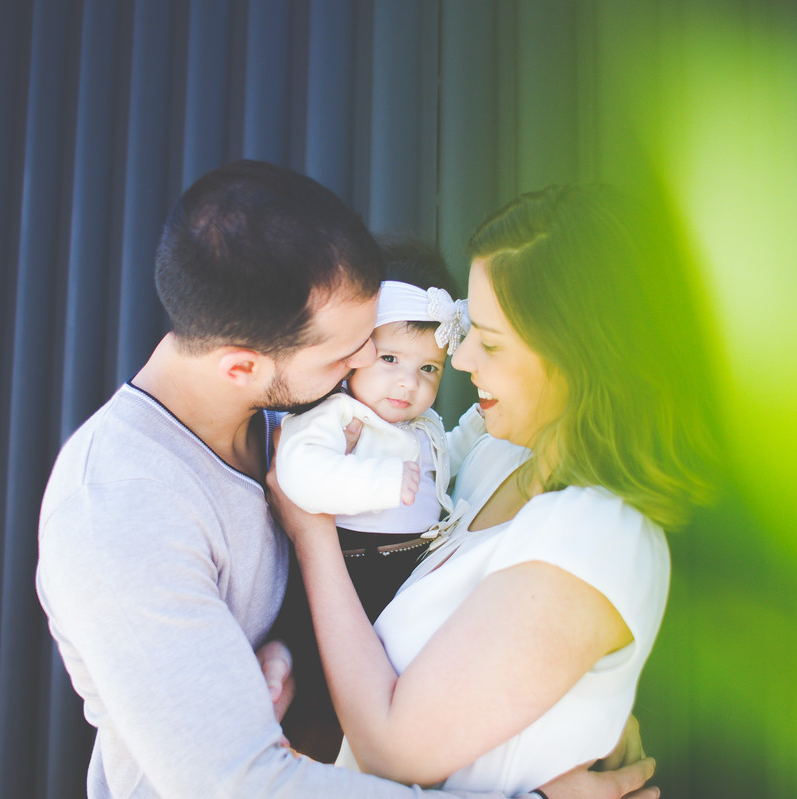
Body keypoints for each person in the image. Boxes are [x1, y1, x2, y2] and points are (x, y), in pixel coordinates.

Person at [36, 160, 659, 799]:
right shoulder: (118, 508)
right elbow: (242, 786)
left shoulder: (294, 417)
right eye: (346, 353)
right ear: (243, 366)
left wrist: (559, 698)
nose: (371, 366)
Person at [270, 182, 718, 795]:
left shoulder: (599, 534)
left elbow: (393, 752)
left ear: (578, 358)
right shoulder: (492, 457)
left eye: (491, 340)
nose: (458, 360)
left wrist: (311, 532)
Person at [275, 239, 472, 621]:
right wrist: (380, 482)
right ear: (357, 350)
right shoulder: (338, 413)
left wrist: (473, 430)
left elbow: (439, 459)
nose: (408, 383)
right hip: (356, 566)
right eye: (391, 359)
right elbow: (300, 471)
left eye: (428, 368)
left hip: (412, 564)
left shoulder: (421, 423)